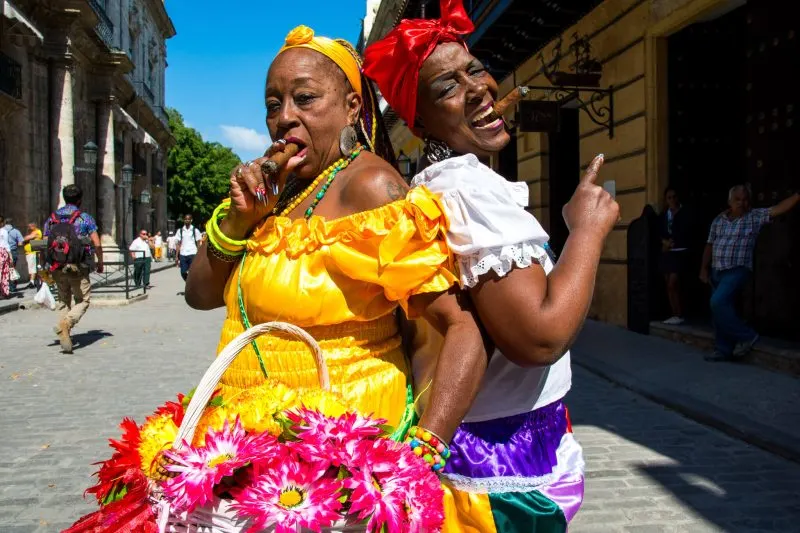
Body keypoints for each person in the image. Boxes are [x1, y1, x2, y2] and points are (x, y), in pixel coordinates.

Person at [364, 0, 619, 529]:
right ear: (419, 119)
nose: (477, 87)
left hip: (496, 438)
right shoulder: (468, 187)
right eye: (447, 88)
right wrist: (587, 231)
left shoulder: (443, 184)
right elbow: (538, 339)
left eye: (474, 69)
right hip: (501, 456)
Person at [185, 24, 488, 453]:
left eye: (304, 99)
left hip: (342, 458)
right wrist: (238, 221)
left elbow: (455, 327)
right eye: (273, 104)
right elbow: (198, 295)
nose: (284, 116)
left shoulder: (372, 189)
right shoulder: (275, 192)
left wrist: (422, 452)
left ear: (351, 108)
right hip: (252, 443)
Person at [700, 185, 800, 362]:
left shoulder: (753, 217)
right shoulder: (719, 220)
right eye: (738, 199)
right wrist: (703, 268)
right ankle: (723, 350)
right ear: (730, 201)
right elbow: (710, 245)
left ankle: (747, 336)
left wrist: (798, 195)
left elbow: (779, 208)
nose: (742, 203)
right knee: (720, 310)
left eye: (745, 199)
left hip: (738, 269)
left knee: (718, 302)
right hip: (717, 269)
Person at [44, 184, 104, 354]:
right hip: (78, 267)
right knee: (83, 300)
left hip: (57, 266)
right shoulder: (85, 218)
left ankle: (65, 333)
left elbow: (46, 242)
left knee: (63, 300)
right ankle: (67, 324)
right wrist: (100, 262)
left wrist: (46, 265)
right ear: (79, 200)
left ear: (64, 198)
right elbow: (97, 243)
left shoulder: (52, 218)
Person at [659, 187, 692, 325]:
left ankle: (680, 313)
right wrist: (665, 242)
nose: (672, 200)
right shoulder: (665, 215)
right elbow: (659, 231)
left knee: (674, 282)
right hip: (668, 252)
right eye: (669, 198)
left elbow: (688, 231)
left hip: (681, 251)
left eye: (674, 197)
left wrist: (675, 240)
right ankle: (674, 313)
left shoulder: (684, 213)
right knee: (668, 283)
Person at [175, 214, 201, 281]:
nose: (187, 220)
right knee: (183, 272)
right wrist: (176, 256)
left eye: (188, 219)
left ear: (191, 220)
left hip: (193, 253)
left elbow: (198, 243)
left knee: (193, 272)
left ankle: (192, 286)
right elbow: (178, 244)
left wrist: (199, 254)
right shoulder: (180, 231)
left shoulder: (195, 230)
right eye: (185, 219)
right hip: (183, 254)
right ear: (184, 220)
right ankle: (189, 283)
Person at [3, 218, 24, 292]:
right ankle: (12, 288)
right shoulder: (16, 231)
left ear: (5, 223)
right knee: (12, 269)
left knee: (3, 270)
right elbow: (20, 243)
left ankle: (4, 287)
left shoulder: (1, 231)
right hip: (13, 251)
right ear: (12, 223)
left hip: (2, 252)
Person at [0, 216, 12, 298]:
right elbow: (6, 244)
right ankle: (3, 292)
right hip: (2, 252)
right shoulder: (3, 231)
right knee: (4, 273)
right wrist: (10, 256)